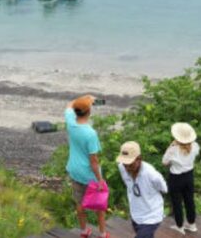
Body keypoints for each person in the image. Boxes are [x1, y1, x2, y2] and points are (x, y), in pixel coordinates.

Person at [65, 95, 109, 238]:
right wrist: (100, 180)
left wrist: (83, 98)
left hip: (75, 170)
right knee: (99, 206)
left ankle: (84, 231)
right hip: (89, 175)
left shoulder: (70, 122)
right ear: (89, 111)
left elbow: (69, 105)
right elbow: (94, 161)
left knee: (79, 202)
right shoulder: (90, 134)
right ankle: (102, 234)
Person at [117, 141, 168, 238]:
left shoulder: (151, 175)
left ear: (139, 159)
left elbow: (164, 188)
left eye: (130, 164)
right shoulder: (121, 167)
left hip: (152, 217)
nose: (127, 168)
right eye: (125, 164)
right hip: (135, 215)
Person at [162, 123, 200, 235]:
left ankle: (180, 226)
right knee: (189, 200)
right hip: (189, 176)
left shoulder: (173, 149)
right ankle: (192, 224)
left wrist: (170, 146)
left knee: (177, 202)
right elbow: (195, 154)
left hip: (176, 178)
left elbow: (164, 162)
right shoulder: (195, 145)